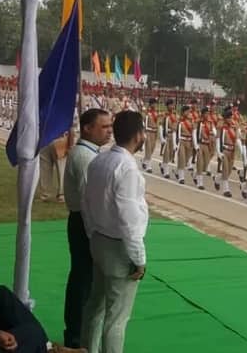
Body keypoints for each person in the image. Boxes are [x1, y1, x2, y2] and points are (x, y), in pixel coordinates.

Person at [82, 111, 149, 353]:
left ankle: (87, 348)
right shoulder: (126, 168)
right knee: (117, 318)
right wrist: (139, 258)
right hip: (119, 247)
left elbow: (87, 202)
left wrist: (92, 233)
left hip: (99, 240)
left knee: (96, 306)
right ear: (138, 135)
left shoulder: (99, 160)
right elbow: (129, 219)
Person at [63, 108, 112, 349]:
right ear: (87, 128)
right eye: (104, 127)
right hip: (84, 222)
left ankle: (78, 332)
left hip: (84, 220)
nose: (109, 131)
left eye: (110, 126)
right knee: (83, 281)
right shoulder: (85, 157)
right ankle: (76, 335)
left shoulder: (90, 153)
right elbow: (88, 199)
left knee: (84, 279)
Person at [214, 108, 242, 198]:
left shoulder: (234, 126)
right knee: (225, 169)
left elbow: (237, 138)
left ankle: (217, 179)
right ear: (225, 118)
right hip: (224, 150)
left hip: (232, 151)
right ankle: (226, 190)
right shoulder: (221, 127)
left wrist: (241, 150)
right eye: (229, 118)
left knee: (229, 171)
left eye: (231, 118)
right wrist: (219, 152)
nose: (230, 119)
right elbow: (218, 139)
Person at [193, 107, 216, 190]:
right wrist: (196, 145)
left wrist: (213, 135)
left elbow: (214, 132)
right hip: (200, 144)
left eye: (208, 113)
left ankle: (195, 174)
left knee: (205, 164)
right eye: (206, 113)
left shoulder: (210, 123)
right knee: (200, 162)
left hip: (207, 145)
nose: (207, 115)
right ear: (202, 114)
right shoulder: (198, 122)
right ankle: (200, 183)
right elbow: (194, 133)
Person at [158, 99, 178, 179]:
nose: (172, 106)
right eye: (170, 105)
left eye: (173, 105)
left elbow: (176, 125)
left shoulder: (175, 115)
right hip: (167, 135)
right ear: (167, 106)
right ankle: (166, 171)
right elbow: (160, 125)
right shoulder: (164, 115)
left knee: (170, 154)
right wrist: (162, 137)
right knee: (166, 153)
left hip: (173, 135)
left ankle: (163, 165)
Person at [175, 105, 194, 184]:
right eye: (187, 111)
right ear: (183, 112)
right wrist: (177, 144)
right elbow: (177, 133)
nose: (188, 113)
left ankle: (177, 171)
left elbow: (193, 132)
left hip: (189, 142)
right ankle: (181, 177)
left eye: (189, 111)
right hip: (182, 141)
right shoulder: (180, 122)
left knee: (186, 160)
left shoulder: (191, 122)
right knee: (182, 158)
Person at [141, 99, 158, 173]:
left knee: (152, 149)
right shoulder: (147, 112)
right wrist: (144, 132)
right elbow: (143, 122)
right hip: (148, 131)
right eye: (153, 103)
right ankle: (149, 166)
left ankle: (144, 160)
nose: (154, 105)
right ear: (150, 104)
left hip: (154, 132)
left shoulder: (156, 113)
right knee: (148, 148)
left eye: (155, 103)